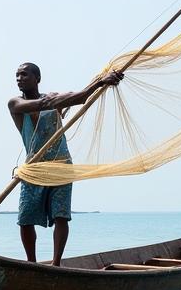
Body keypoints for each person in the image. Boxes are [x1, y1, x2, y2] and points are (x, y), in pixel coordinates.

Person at [9, 62, 123, 265]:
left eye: (24, 75)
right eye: (17, 76)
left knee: (61, 216)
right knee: (25, 219)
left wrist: (100, 83)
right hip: (34, 168)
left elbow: (79, 98)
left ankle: (55, 264)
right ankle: (32, 264)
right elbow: (43, 105)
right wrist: (94, 85)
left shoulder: (53, 97)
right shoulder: (15, 103)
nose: (19, 79)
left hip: (61, 165)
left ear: (37, 78)